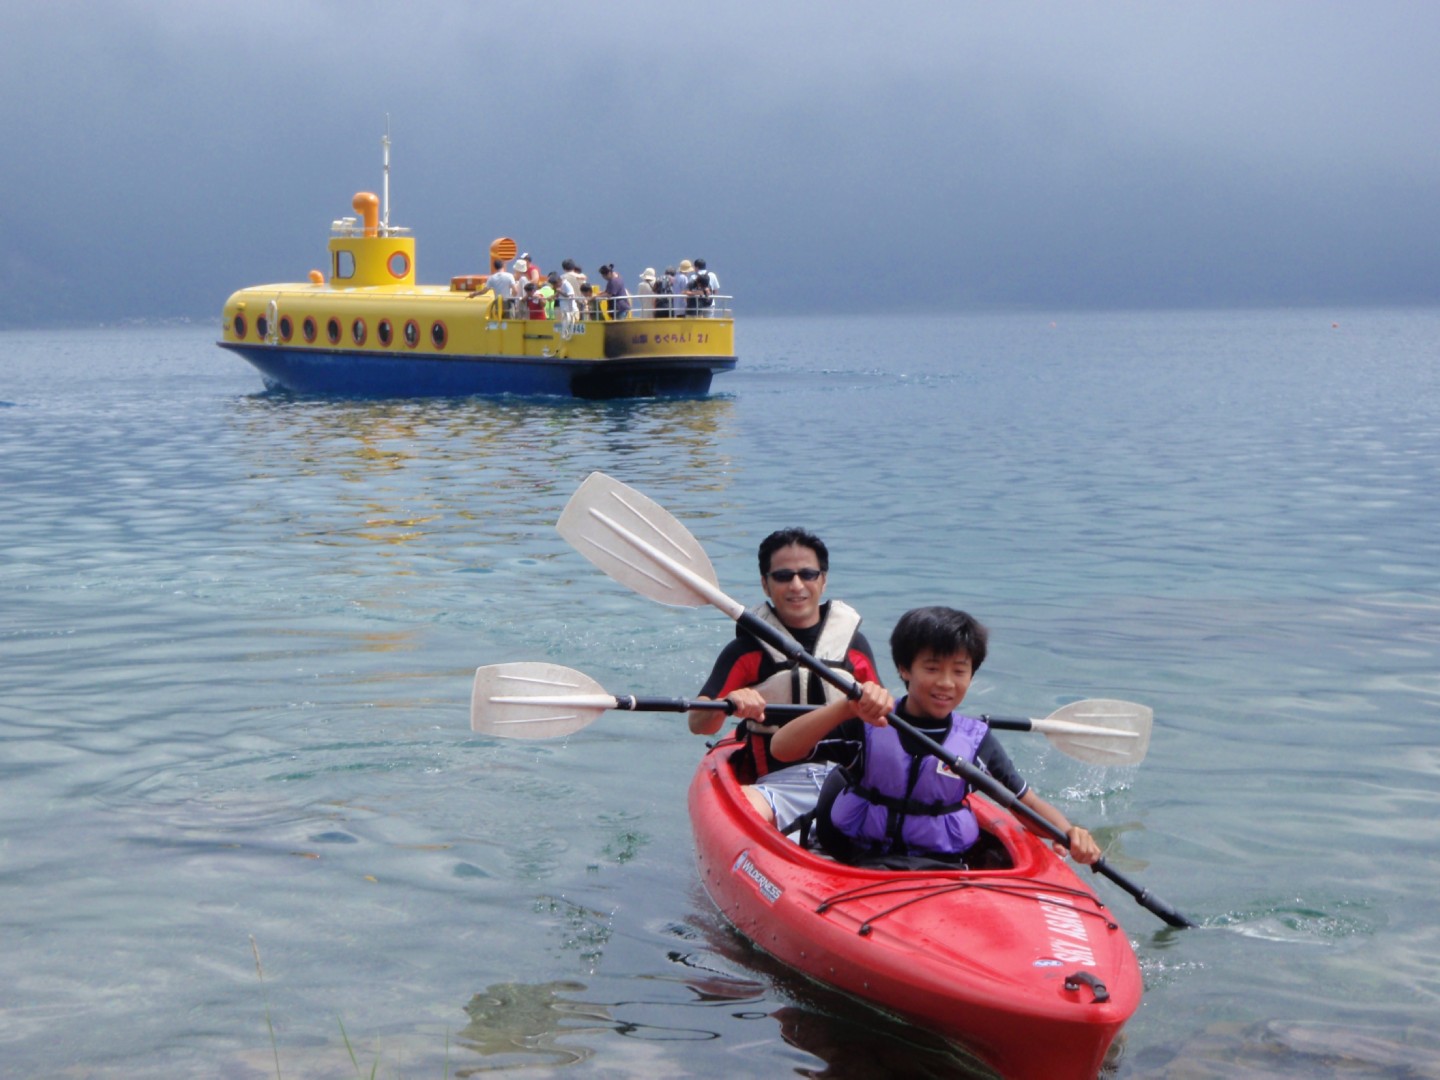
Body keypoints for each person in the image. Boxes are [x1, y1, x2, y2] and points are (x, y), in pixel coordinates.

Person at [769, 606, 1104, 868]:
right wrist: (845, 707)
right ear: (904, 669)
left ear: (972, 675)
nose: (946, 683)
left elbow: (1024, 803)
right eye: (932, 668)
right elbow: (782, 749)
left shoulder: (976, 741)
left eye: (959, 671)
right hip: (857, 858)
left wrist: (1069, 832)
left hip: (938, 867)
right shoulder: (868, 722)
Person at [688, 528, 879, 828]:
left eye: (808, 574)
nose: (796, 585)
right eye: (783, 576)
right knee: (745, 816)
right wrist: (729, 701)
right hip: (776, 786)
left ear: (823, 579)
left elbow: (882, 728)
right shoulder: (746, 650)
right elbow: (698, 723)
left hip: (849, 782)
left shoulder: (855, 648)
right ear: (765, 584)